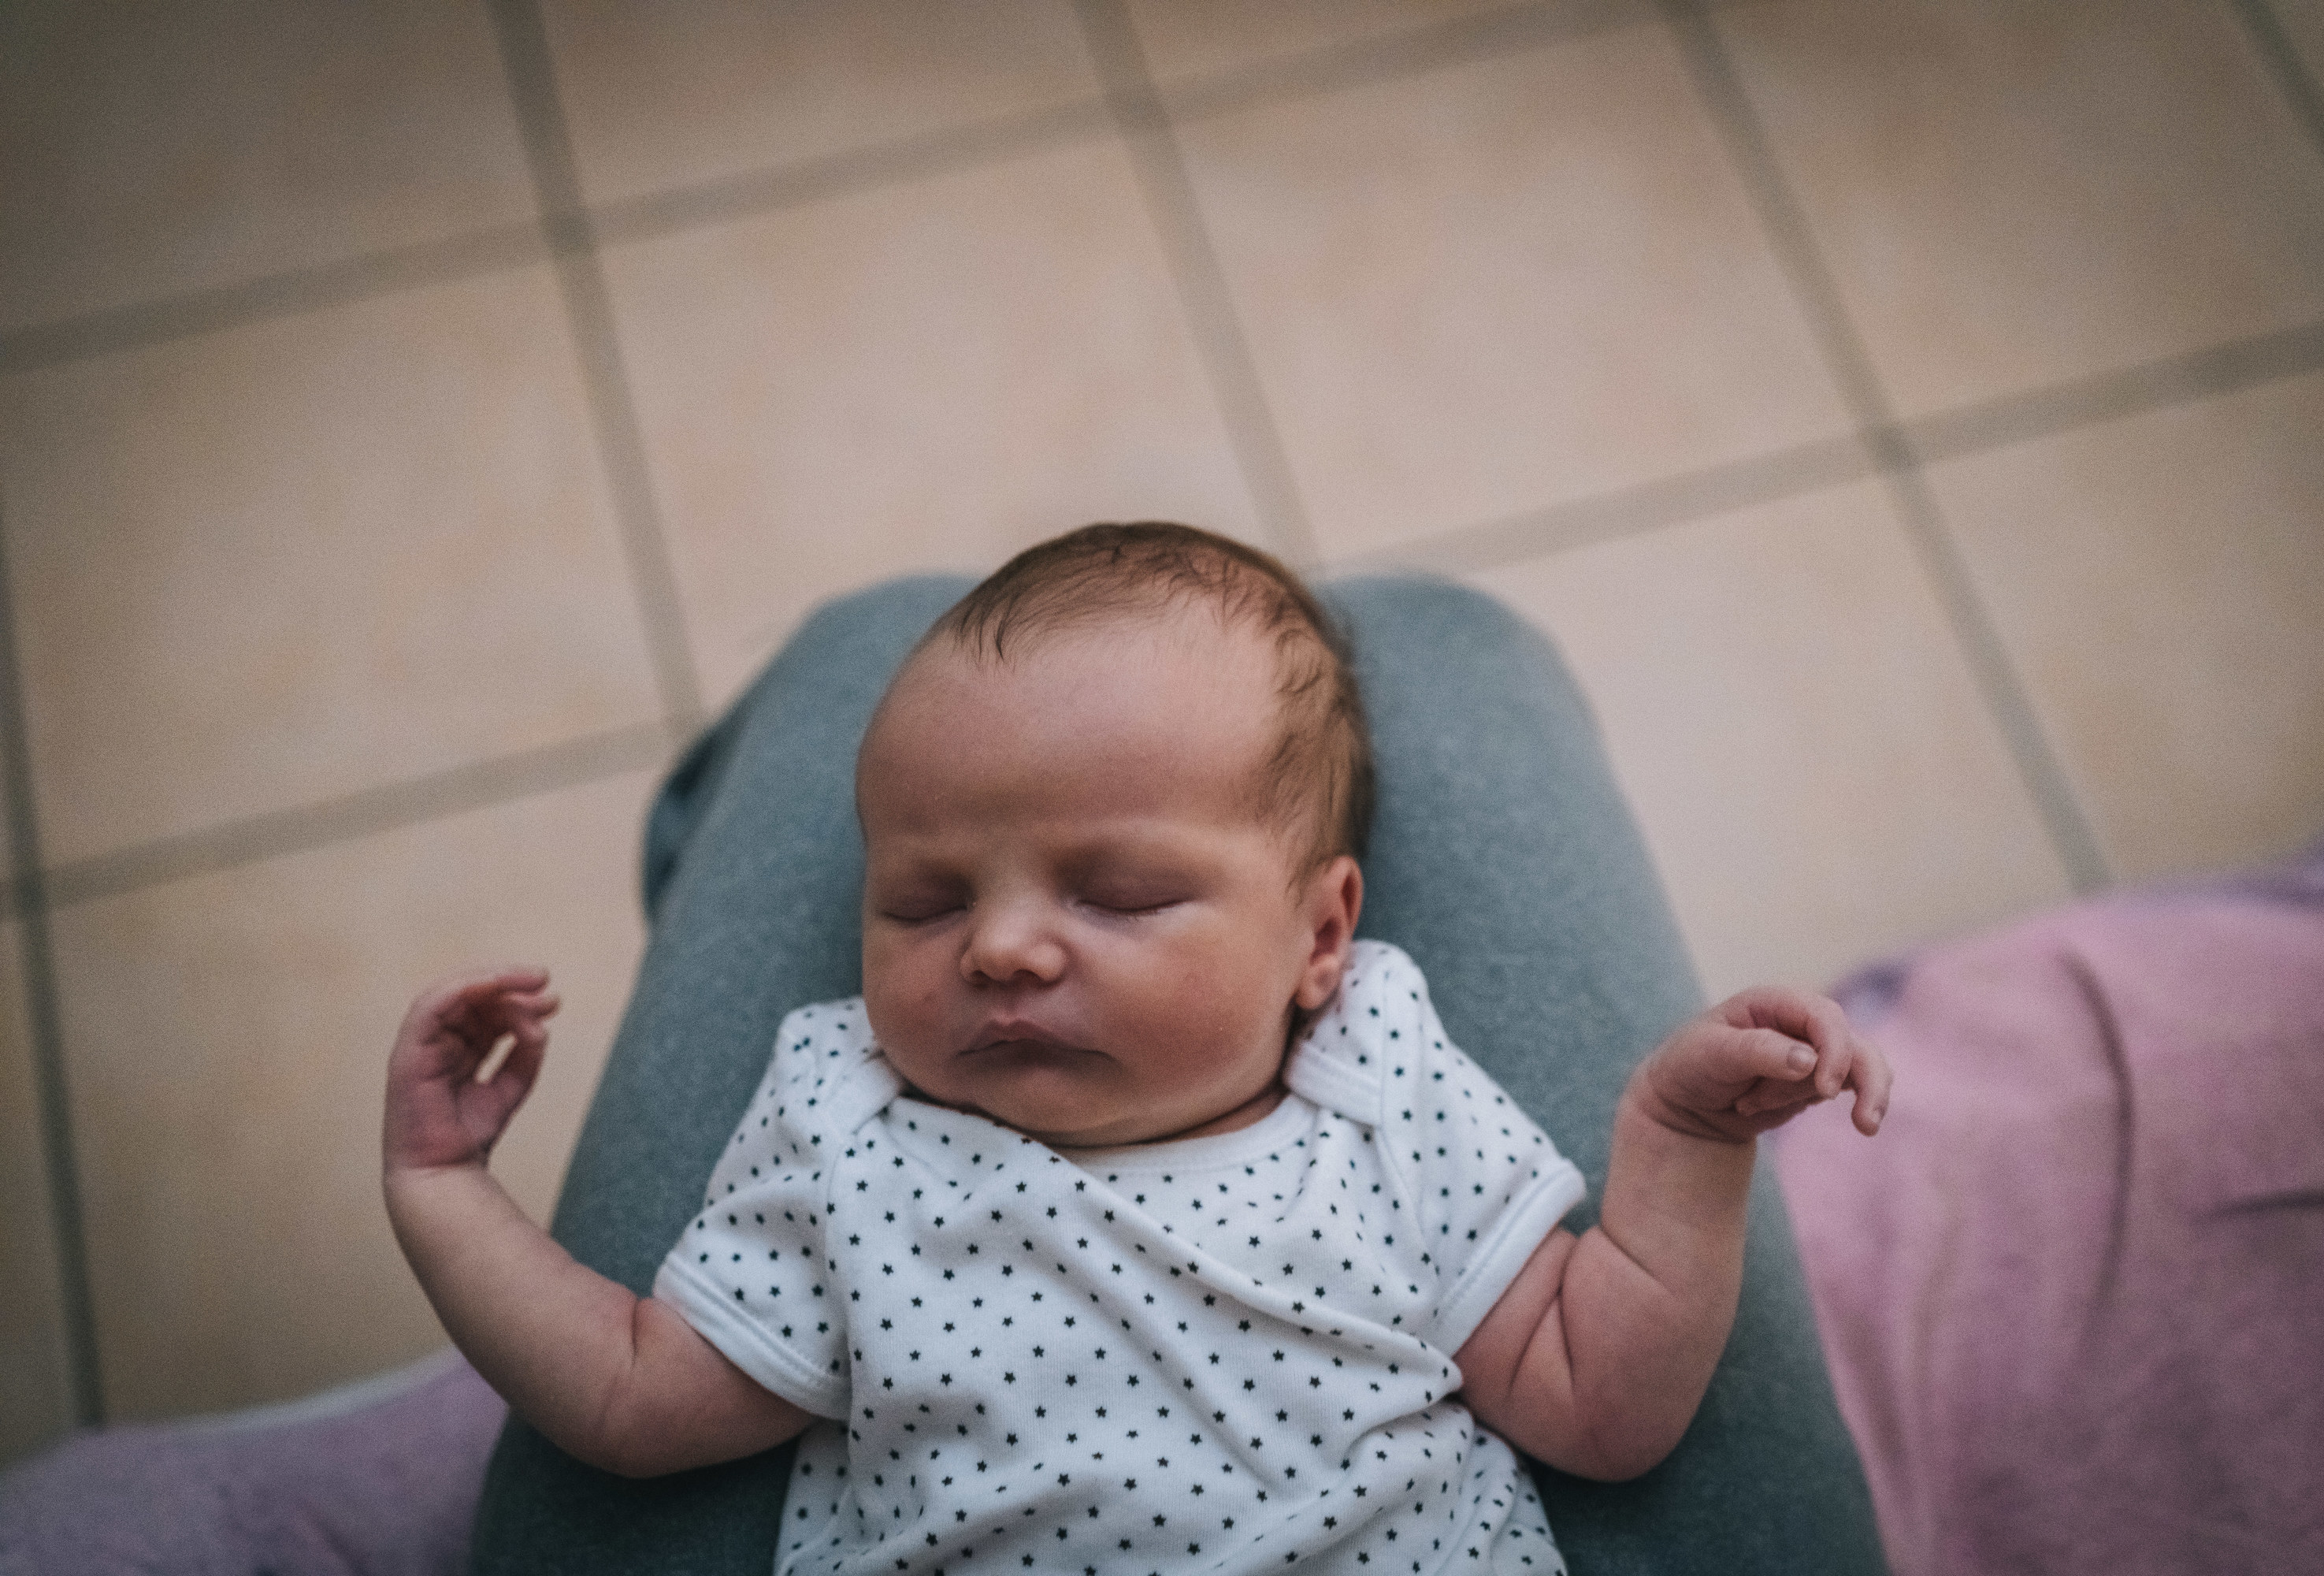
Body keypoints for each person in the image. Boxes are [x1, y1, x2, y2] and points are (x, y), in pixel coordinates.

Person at [384, 523, 1891, 1574]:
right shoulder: (851, 1129)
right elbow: (636, 1401)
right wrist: (451, 1195)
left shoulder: (1380, 1084)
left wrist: (1686, 1151)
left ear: (1320, 940)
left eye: (1113, 895)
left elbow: (1597, 1405)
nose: (1001, 948)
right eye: (921, 901)